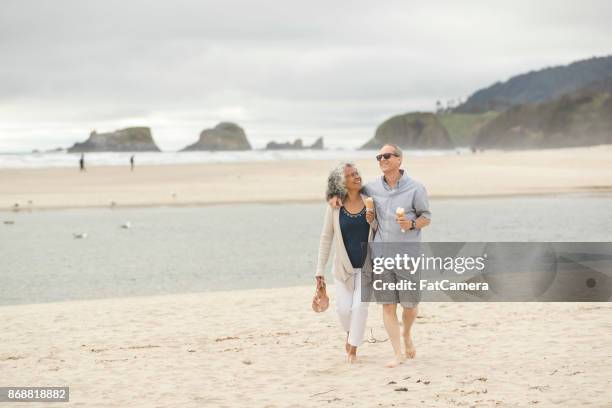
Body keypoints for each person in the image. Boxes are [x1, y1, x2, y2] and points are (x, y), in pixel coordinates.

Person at [329, 144, 431, 368]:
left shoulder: (416, 188)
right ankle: (397, 353)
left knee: (410, 307)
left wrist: (412, 223)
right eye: (379, 157)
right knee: (387, 306)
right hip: (381, 256)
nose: (382, 159)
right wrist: (333, 197)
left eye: (387, 156)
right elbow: (349, 189)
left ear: (399, 160)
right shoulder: (372, 188)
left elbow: (427, 217)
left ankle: (407, 335)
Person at [315, 162, 377, 363]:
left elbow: (380, 231)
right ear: (341, 183)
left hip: (367, 267)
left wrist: (373, 220)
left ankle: (353, 350)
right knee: (343, 310)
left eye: (357, 173)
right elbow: (326, 238)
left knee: (360, 308)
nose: (356, 176)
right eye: (350, 175)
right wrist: (319, 271)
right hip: (343, 268)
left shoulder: (371, 201)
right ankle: (351, 333)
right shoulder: (334, 206)